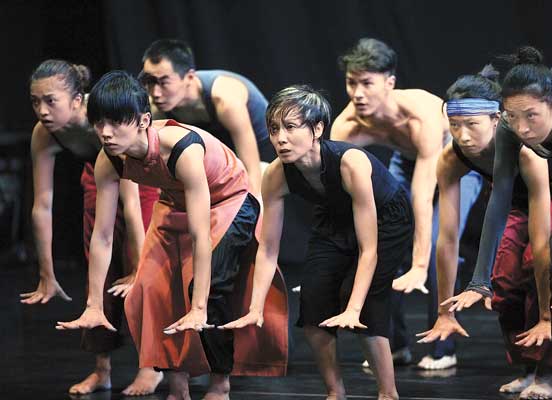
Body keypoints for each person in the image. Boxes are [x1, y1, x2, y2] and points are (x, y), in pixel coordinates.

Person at [56, 71, 288, 400]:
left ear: (143, 121)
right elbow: (103, 236)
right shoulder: (110, 159)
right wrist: (94, 303)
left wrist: (197, 306)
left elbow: (200, 233)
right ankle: (178, 389)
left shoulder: (183, 150)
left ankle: (220, 385)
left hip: (230, 198)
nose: (105, 133)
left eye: (116, 122)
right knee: (150, 290)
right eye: (99, 124)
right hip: (173, 200)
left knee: (209, 288)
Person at [222, 85, 413, 400]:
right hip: (334, 217)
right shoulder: (276, 175)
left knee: (364, 306)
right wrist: (256, 307)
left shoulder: (350, 163)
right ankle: (335, 392)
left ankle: (387, 393)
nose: (280, 138)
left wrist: (352, 308)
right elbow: (268, 248)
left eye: (291, 127)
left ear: (318, 128)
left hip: (387, 218)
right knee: (312, 305)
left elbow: (368, 250)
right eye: (273, 129)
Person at [443, 46, 552, 400]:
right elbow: (498, 202)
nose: (523, 128)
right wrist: (479, 280)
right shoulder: (512, 127)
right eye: (514, 118)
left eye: (532, 116)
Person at [330, 38, 482, 369]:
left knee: (439, 246)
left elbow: (423, 191)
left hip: (456, 166)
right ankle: (394, 346)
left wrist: (419, 263)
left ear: (390, 83)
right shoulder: (348, 124)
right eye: (351, 83)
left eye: (367, 83)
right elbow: (333, 191)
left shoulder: (422, 114)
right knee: (384, 250)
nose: (358, 93)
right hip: (406, 163)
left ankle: (444, 346)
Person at [418, 66, 552, 399]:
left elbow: (541, 243)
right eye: (454, 125)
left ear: (497, 120)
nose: (463, 135)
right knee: (502, 286)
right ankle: (527, 369)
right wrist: (444, 311)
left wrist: (543, 314)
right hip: (512, 204)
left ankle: (549, 372)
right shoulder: (450, 159)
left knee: (537, 269)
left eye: (472, 125)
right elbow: (448, 240)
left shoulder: (526, 151)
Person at [23, 60, 161, 395]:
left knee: (138, 272)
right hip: (97, 177)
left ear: (76, 100)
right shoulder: (44, 133)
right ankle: (102, 369)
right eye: (35, 101)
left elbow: (130, 202)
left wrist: (138, 265)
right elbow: (42, 205)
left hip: (140, 178)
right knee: (99, 269)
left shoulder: (102, 124)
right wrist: (46, 273)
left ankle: (151, 365)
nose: (42, 110)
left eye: (51, 100)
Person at [138, 38, 276, 194]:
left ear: (189, 77)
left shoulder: (225, 99)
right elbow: (161, 174)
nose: (155, 93)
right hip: (219, 152)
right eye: (149, 81)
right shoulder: (158, 109)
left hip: (260, 149)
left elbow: (251, 170)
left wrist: (255, 205)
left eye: (164, 82)